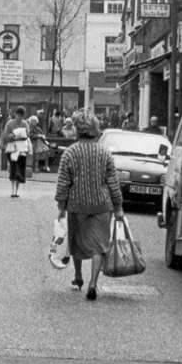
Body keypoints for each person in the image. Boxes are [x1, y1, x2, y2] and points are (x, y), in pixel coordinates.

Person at [54, 109, 124, 301]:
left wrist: (61, 206)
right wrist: (118, 207)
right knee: (99, 245)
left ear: (77, 130)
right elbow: (113, 183)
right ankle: (93, 283)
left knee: (76, 241)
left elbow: (63, 183)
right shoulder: (105, 153)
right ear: (95, 130)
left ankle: (78, 277)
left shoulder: (70, 153)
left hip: (77, 205)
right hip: (102, 205)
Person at [2, 107, 32, 198]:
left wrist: (22, 135)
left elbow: (27, 135)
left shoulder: (25, 123)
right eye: (17, 115)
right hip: (12, 148)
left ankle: (17, 189)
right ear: (15, 114)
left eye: (21, 115)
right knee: (13, 168)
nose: (19, 117)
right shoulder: (10, 123)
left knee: (20, 169)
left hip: (22, 148)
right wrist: (10, 136)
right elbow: (5, 135)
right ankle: (13, 189)